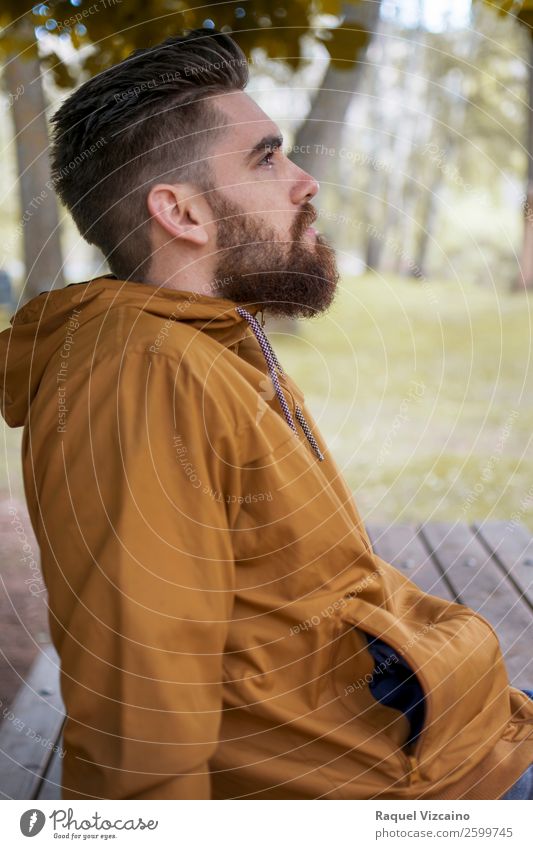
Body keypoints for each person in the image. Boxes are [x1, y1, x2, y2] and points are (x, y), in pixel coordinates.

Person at [0, 27, 532, 801]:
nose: (305, 180)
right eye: (266, 157)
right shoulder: (141, 377)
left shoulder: (209, 349)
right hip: (414, 795)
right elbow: (139, 716)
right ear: (179, 211)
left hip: (460, 747)